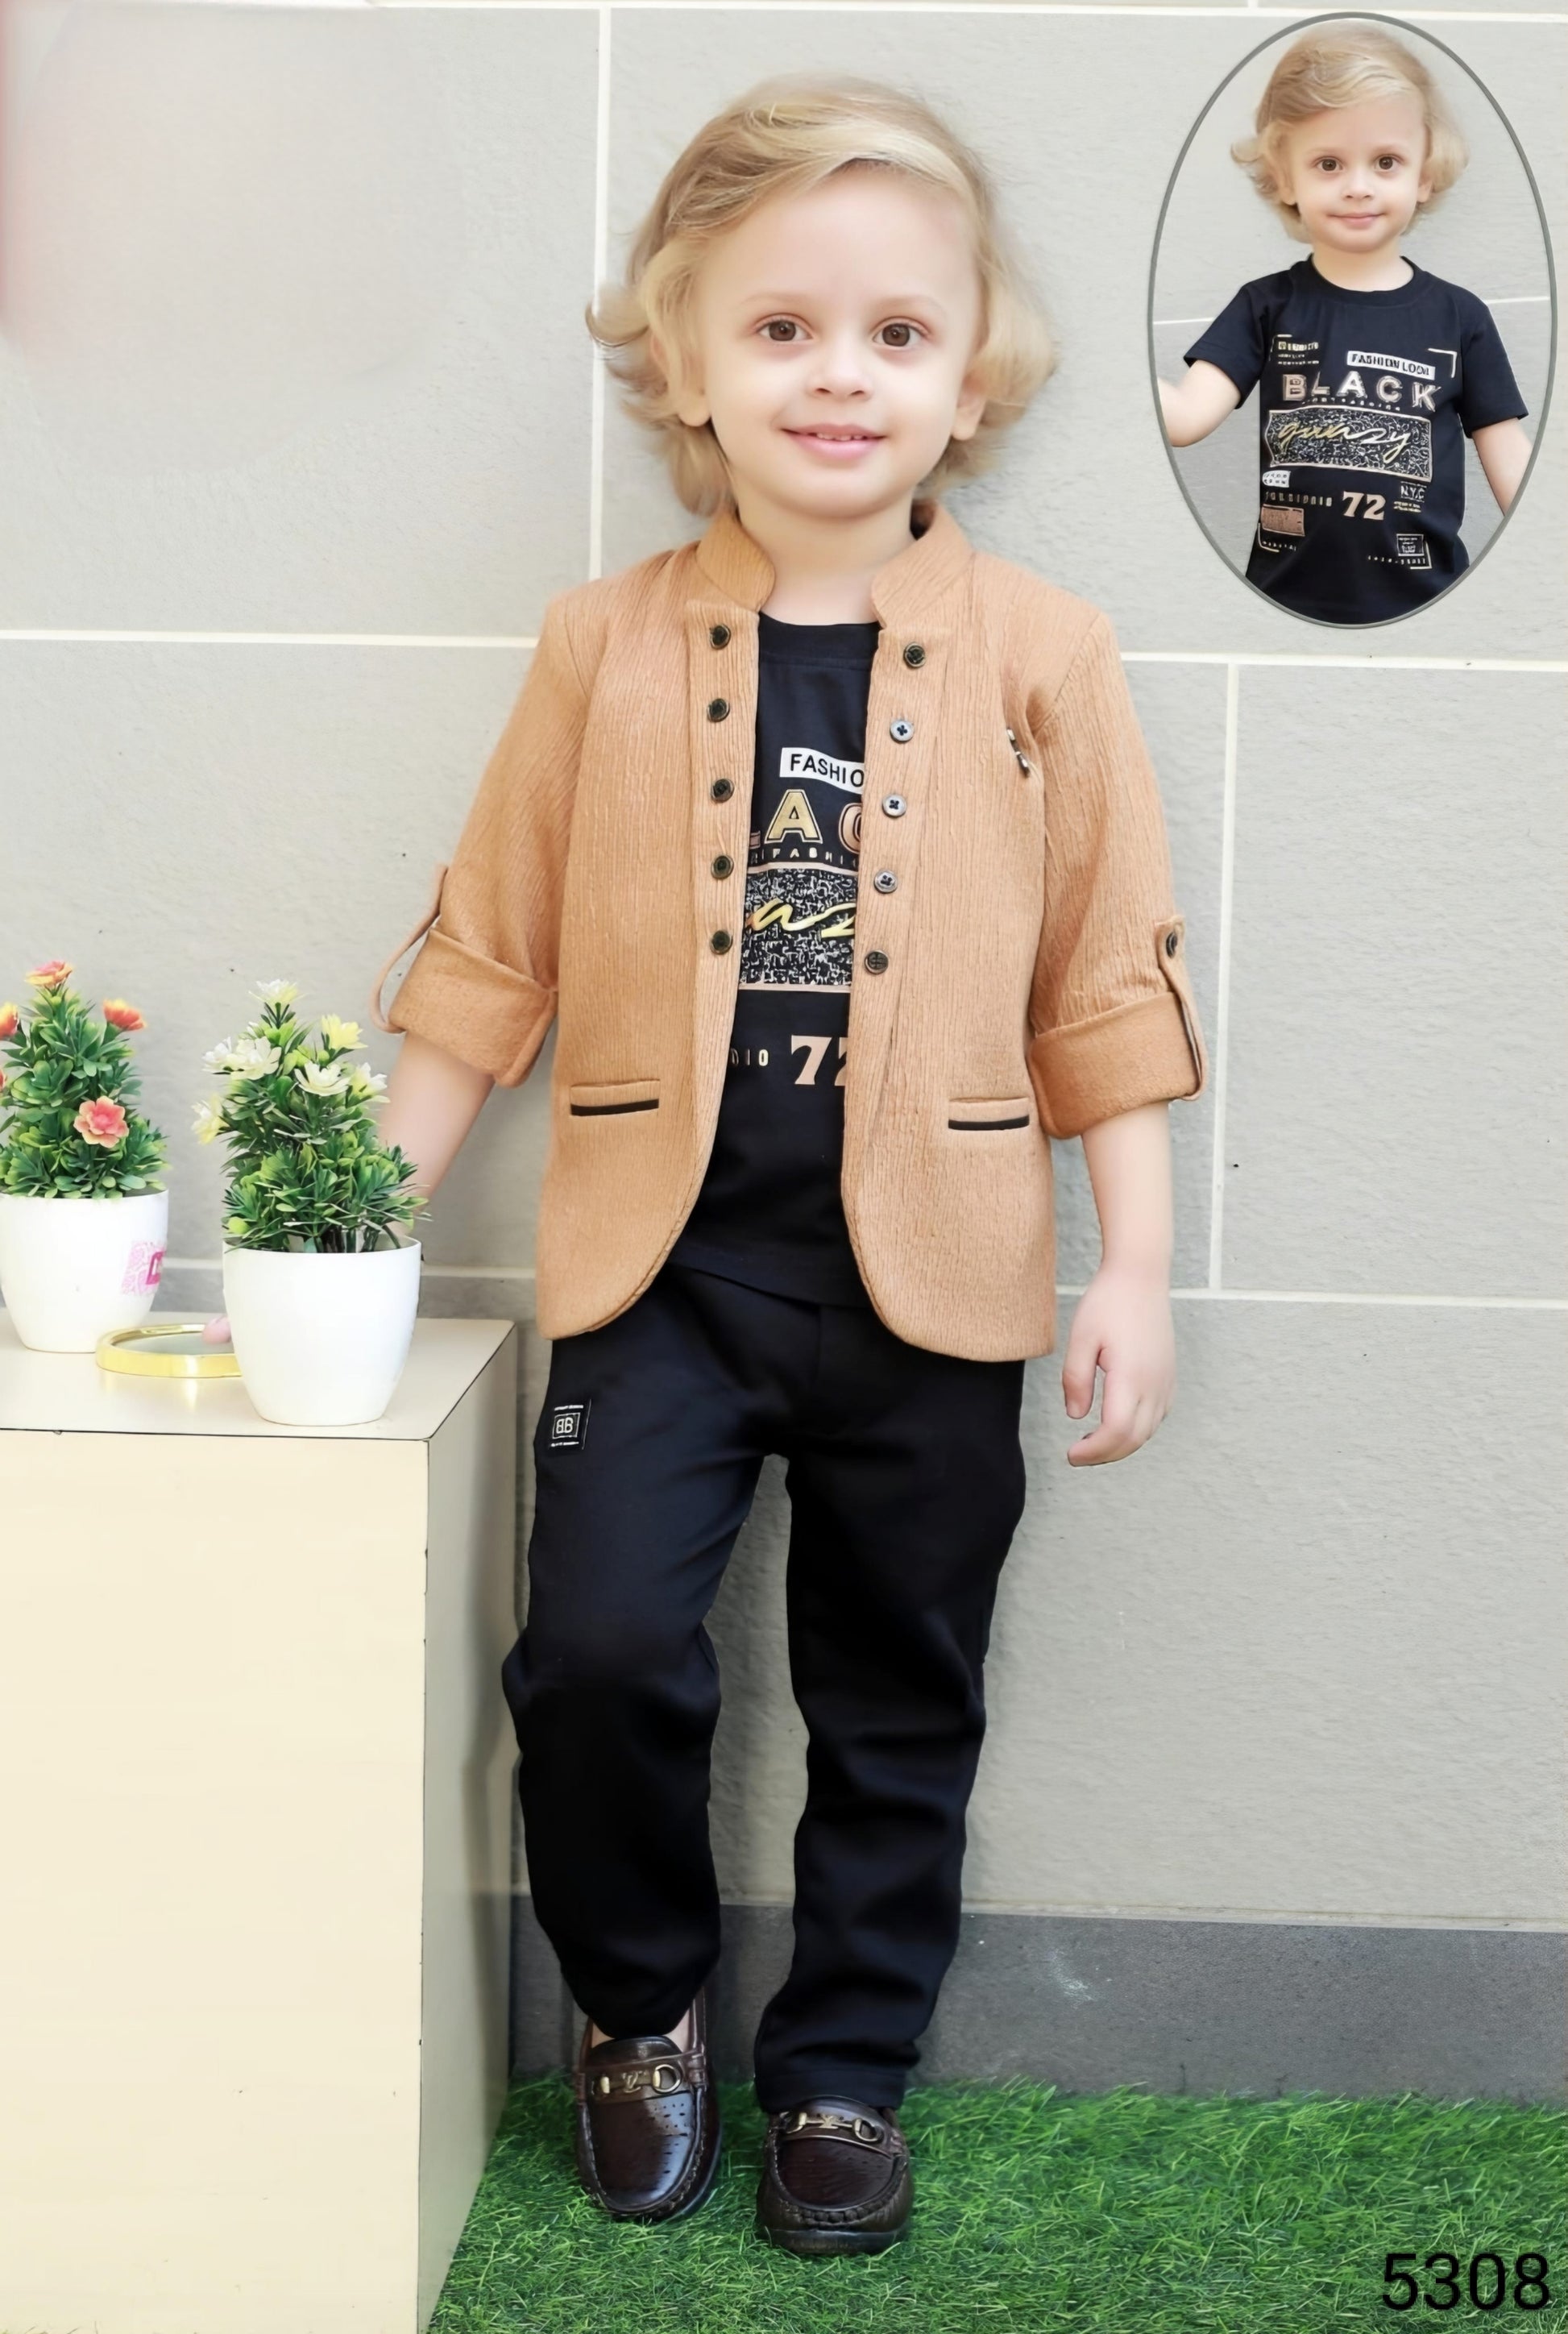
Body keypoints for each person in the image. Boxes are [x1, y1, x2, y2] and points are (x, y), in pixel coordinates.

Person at [355, 75, 1208, 2255]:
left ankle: (844, 2069)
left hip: (940, 1272)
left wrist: (1132, 1267)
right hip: (662, 1276)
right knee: (601, 1654)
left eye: (898, 333)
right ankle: (638, 2008)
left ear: (971, 375)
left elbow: (1104, 979)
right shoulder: (604, 641)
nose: (842, 374)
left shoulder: (1047, 654)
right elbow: (493, 946)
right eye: (784, 328)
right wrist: (355, 1219)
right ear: (686, 363)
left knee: (900, 1691)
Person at [1157, 23, 1532, 625]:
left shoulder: (1462, 318)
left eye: (1386, 162)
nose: (1358, 187)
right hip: (1282, 609)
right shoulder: (1265, 306)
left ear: (1424, 174)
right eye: (1328, 163)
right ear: (1286, 178)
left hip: (1431, 610)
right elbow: (1182, 418)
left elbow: (1514, 466)